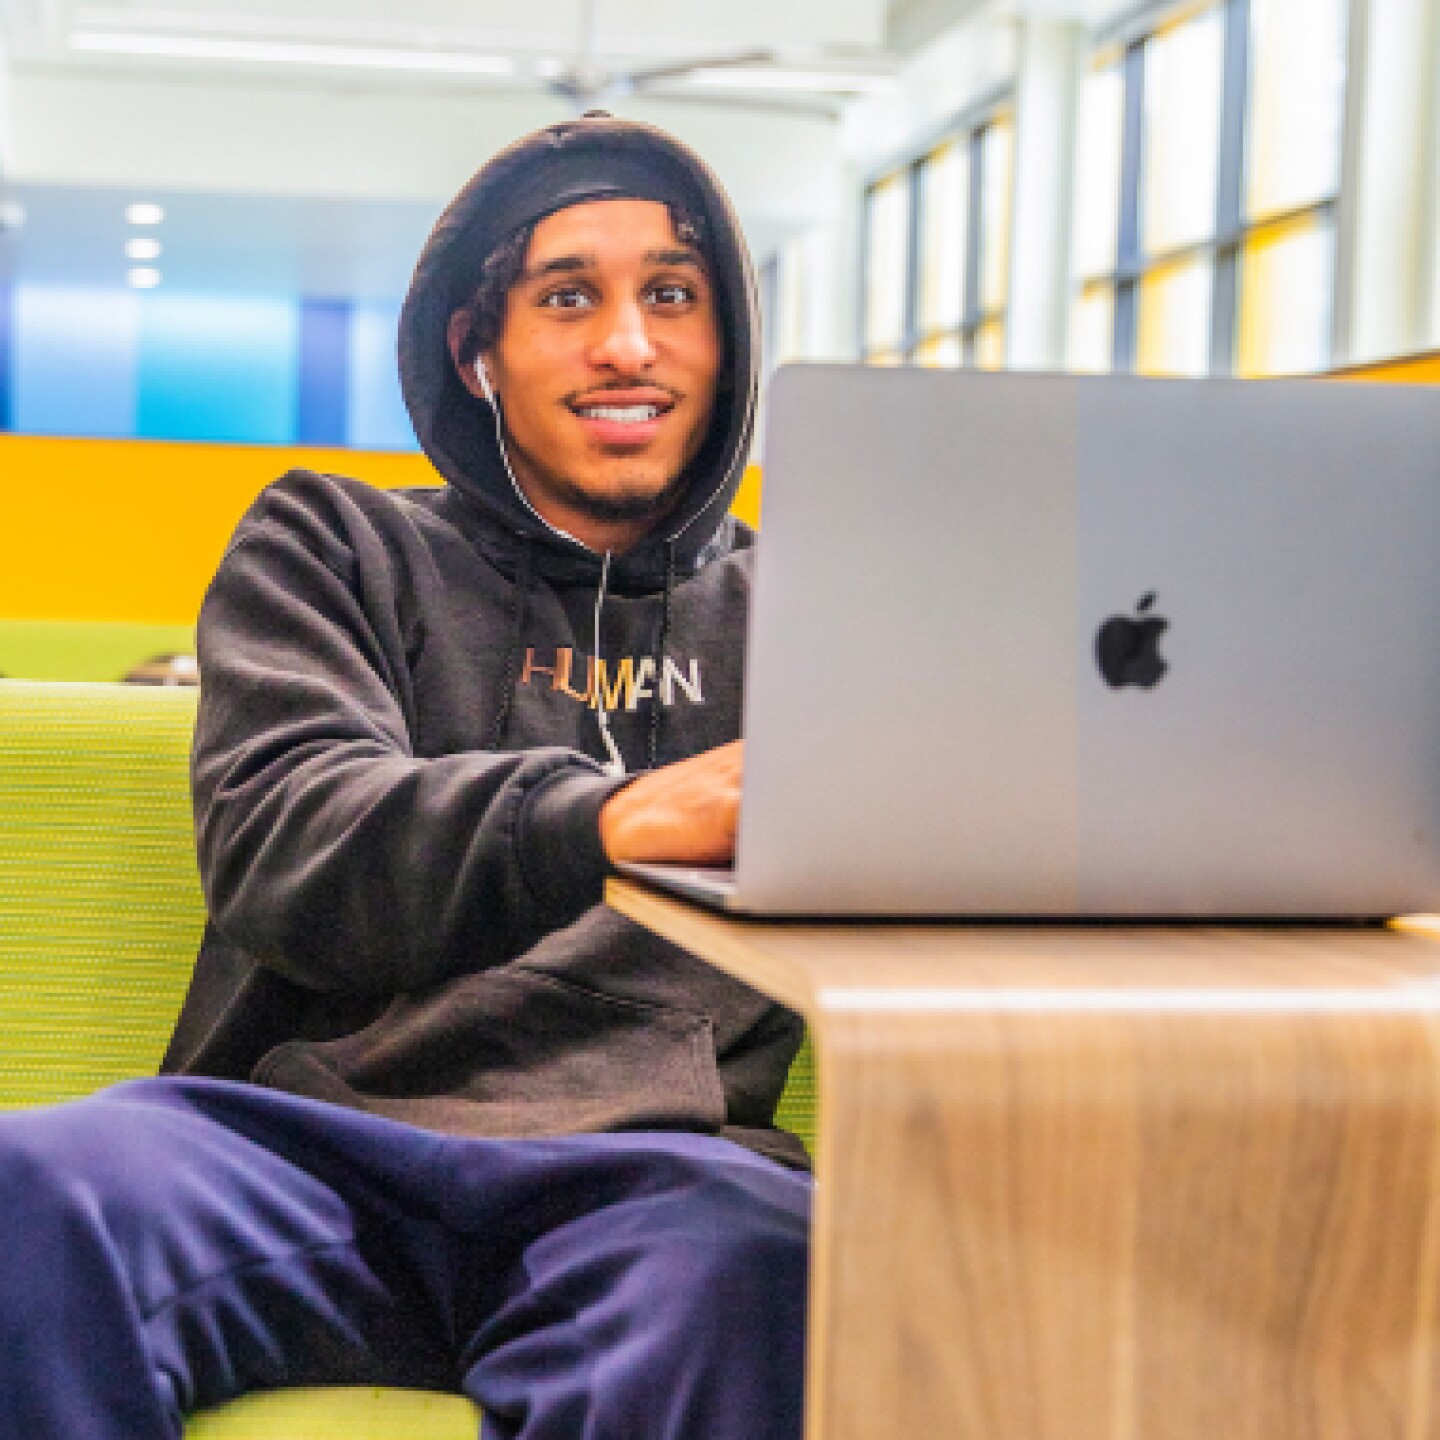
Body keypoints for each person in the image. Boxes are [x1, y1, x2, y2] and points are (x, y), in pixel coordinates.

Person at [0, 112, 809, 1439]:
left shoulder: (806, 610)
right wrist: (610, 820)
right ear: (475, 349)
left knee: (766, 1267)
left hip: (656, 1177)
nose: (628, 343)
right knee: (29, 1191)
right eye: (568, 297)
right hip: (302, 1153)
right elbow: (288, 843)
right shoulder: (331, 541)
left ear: (728, 347)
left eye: (673, 294)